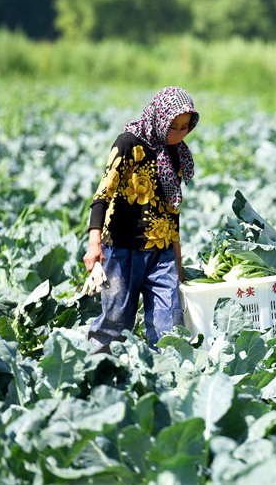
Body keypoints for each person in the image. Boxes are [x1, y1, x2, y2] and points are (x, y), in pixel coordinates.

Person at [83, 87, 199, 352]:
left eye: (185, 127)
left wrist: (178, 262)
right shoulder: (128, 143)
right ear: (160, 118)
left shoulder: (176, 154)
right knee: (115, 323)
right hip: (122, 250)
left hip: (161, 254)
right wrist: (94, 244)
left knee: (169, 325)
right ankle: (97, 372)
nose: (180, 134)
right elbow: (103, 194)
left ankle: (168, 382)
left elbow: (172, 212)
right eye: (174, 126)